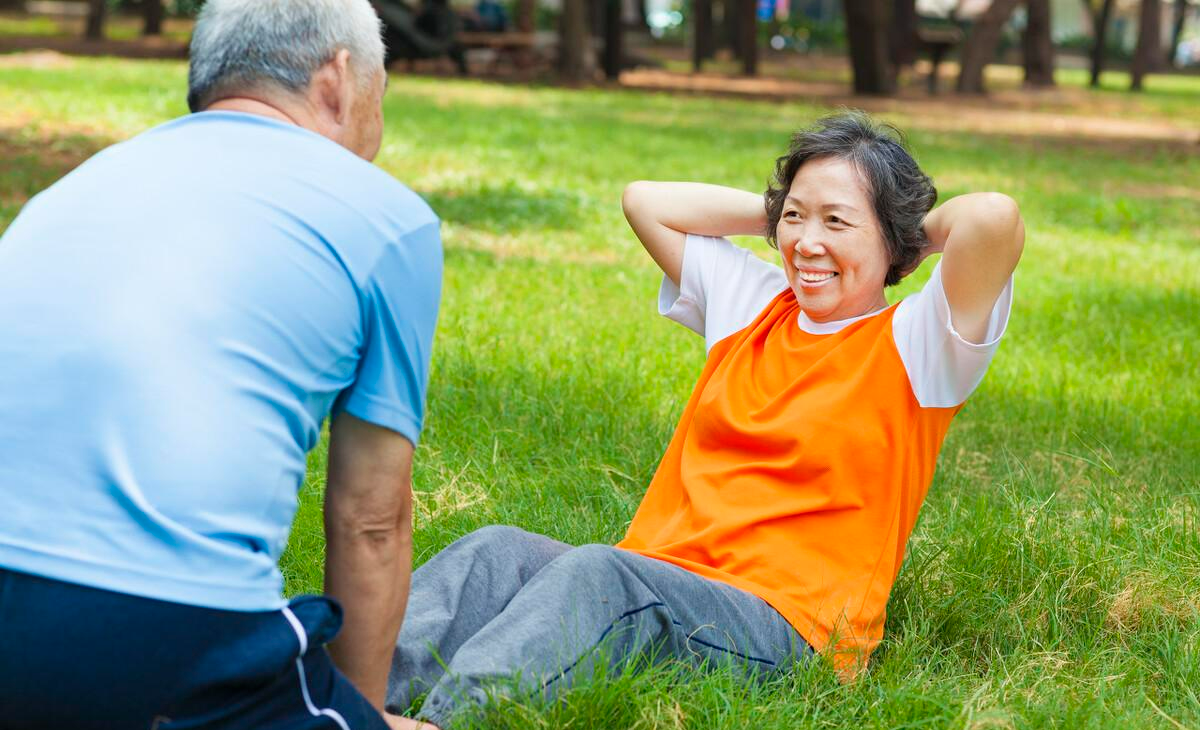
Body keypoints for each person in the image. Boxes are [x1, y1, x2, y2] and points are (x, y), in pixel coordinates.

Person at [383, 112, 1024, 730]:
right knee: (495, 553)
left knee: (601, 575)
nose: (808, 243)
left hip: (783, 623)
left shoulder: (919, 345)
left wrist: (905, 228)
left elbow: (993, 217)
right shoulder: (754, 305)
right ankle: (336, 695)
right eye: (795, 217)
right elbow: (645, 202)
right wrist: (781, 212)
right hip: (661, 576)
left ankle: (448, 721)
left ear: (894, 242)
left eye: (838, 222)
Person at [0, 1, 441, 728]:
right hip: (150, 635)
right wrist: (360, 716)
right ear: (338, 78)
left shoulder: (74, 188)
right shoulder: (388, 219)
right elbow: (371, 519)